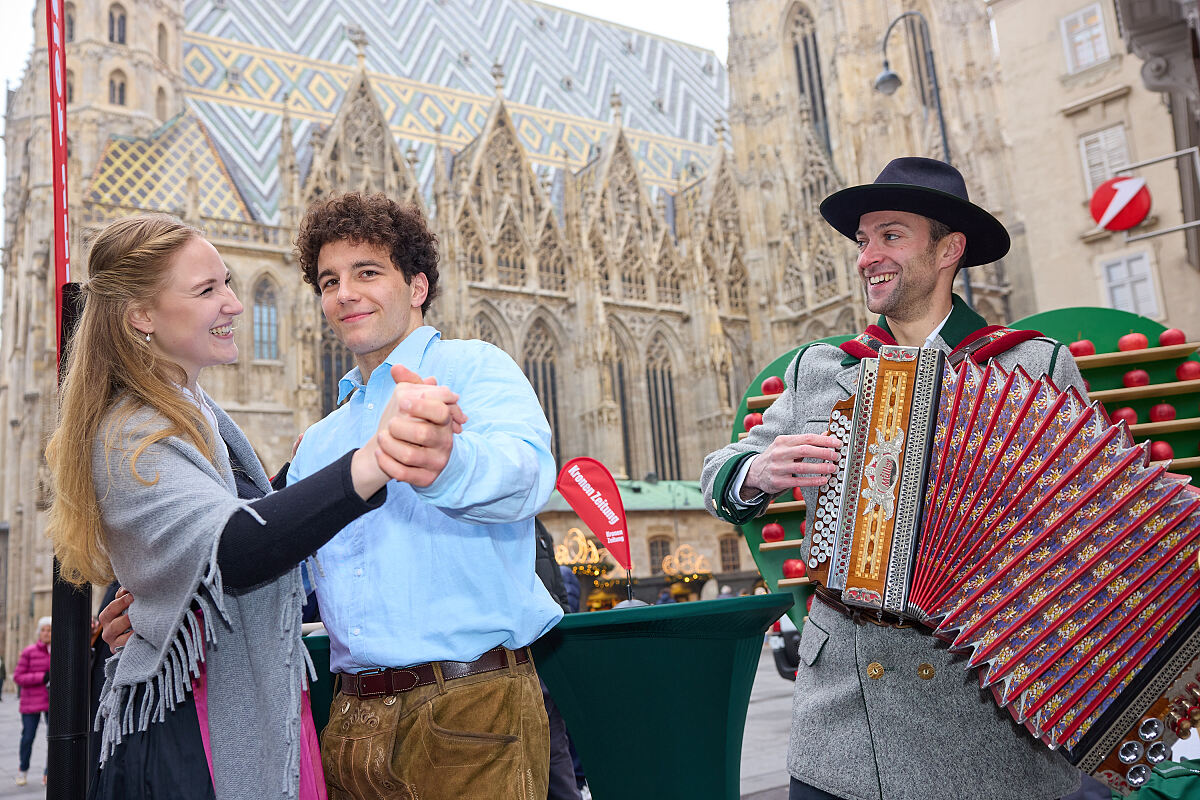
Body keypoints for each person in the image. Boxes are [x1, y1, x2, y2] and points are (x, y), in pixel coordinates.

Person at [701, 158, 1086, 800]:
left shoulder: (1031, 366)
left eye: (890, 236)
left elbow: (1082, 524)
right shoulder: (820, 369)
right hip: (841, 723)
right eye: (862, 241)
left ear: (949, 250)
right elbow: (720, 477)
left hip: (982, 715)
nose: (867, 257)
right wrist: (757, 471)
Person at [45, 214, 430, 800]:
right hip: (192, 738)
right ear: (141, 316)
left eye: (228, 282)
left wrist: (285, 483)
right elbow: (233, 550)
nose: (234, 303)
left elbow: (211, 527)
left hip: (238, 708)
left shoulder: (189, 410)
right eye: (207, 290)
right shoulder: (133, 431)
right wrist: (370, 460)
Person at [287, 193, 562, 800]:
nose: (344, 294)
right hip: (352, 719)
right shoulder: (323, 439)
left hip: (469, 710)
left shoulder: (472, 367)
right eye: (329, 281)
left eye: (367, 273)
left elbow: (525, 473)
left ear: (417, 287)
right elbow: (294, 567)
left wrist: (445, 462)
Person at [13, 617, 51, 787]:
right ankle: (23, 770)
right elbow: (18, 677)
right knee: (28, 738)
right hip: (31, 702)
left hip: (51, 702)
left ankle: (48, 773)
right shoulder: (29, 651)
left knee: (53, 739)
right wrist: (41, 677)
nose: (46, 633)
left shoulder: (58, 651)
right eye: (43, 630)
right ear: (39, 632)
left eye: (49, 630)